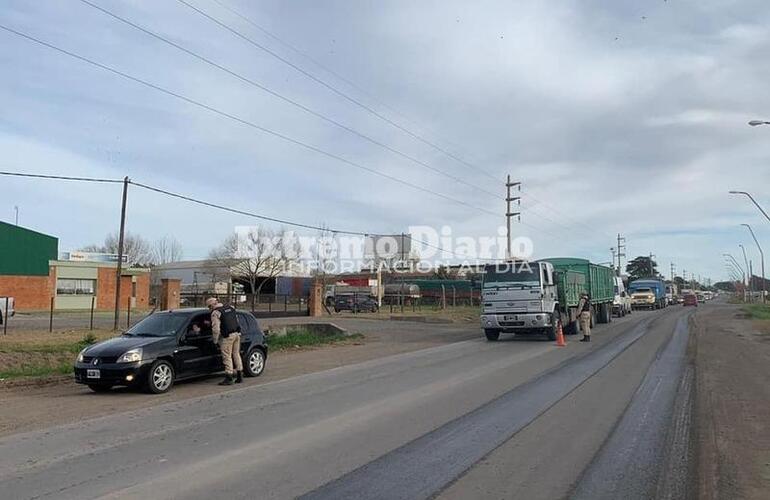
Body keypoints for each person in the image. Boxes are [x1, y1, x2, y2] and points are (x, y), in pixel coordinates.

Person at [206, 297, 243, 385]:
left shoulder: (216, 313)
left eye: (209, 307)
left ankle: (229, 377)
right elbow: (236, 321)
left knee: (227, 356)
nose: (209, 309)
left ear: (211, 306)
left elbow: (216, 330)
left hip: (227, 337)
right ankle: (239, 375)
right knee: (236, 354)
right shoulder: (231, 308)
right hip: (237, 334)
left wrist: (215, 341)